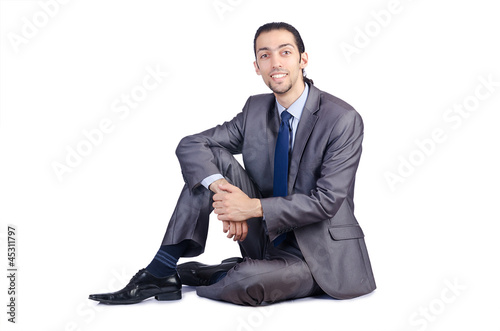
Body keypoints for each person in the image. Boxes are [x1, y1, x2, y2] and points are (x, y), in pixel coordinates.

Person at [89, 22, 376, 306]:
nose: (275, 62)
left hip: (318, 256)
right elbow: (191, 144)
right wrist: (223, 191)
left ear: (303, 59)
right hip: (263, 237)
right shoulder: (256, 109)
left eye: (285, 52)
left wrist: (252, 208)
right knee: (205, 166)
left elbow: (327, 201)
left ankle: (221, 273)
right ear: (256, 66)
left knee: (246, 282)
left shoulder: (342, 119)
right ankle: (161, 270)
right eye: (265, 55)